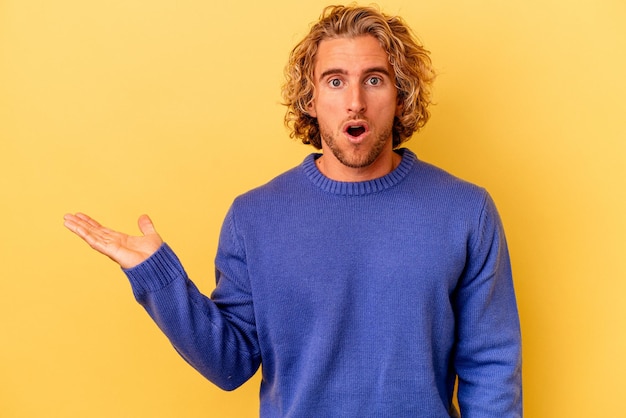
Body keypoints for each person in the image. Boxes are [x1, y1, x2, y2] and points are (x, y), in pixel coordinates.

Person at [64, 4, 522, 417]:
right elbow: (230, 364)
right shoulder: (254, 217)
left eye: (375, 79)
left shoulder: (465, 211)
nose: (355, 101)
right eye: (335, 80)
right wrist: (157, 277)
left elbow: (492, 369)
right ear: (310, 98)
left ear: (401, 96)